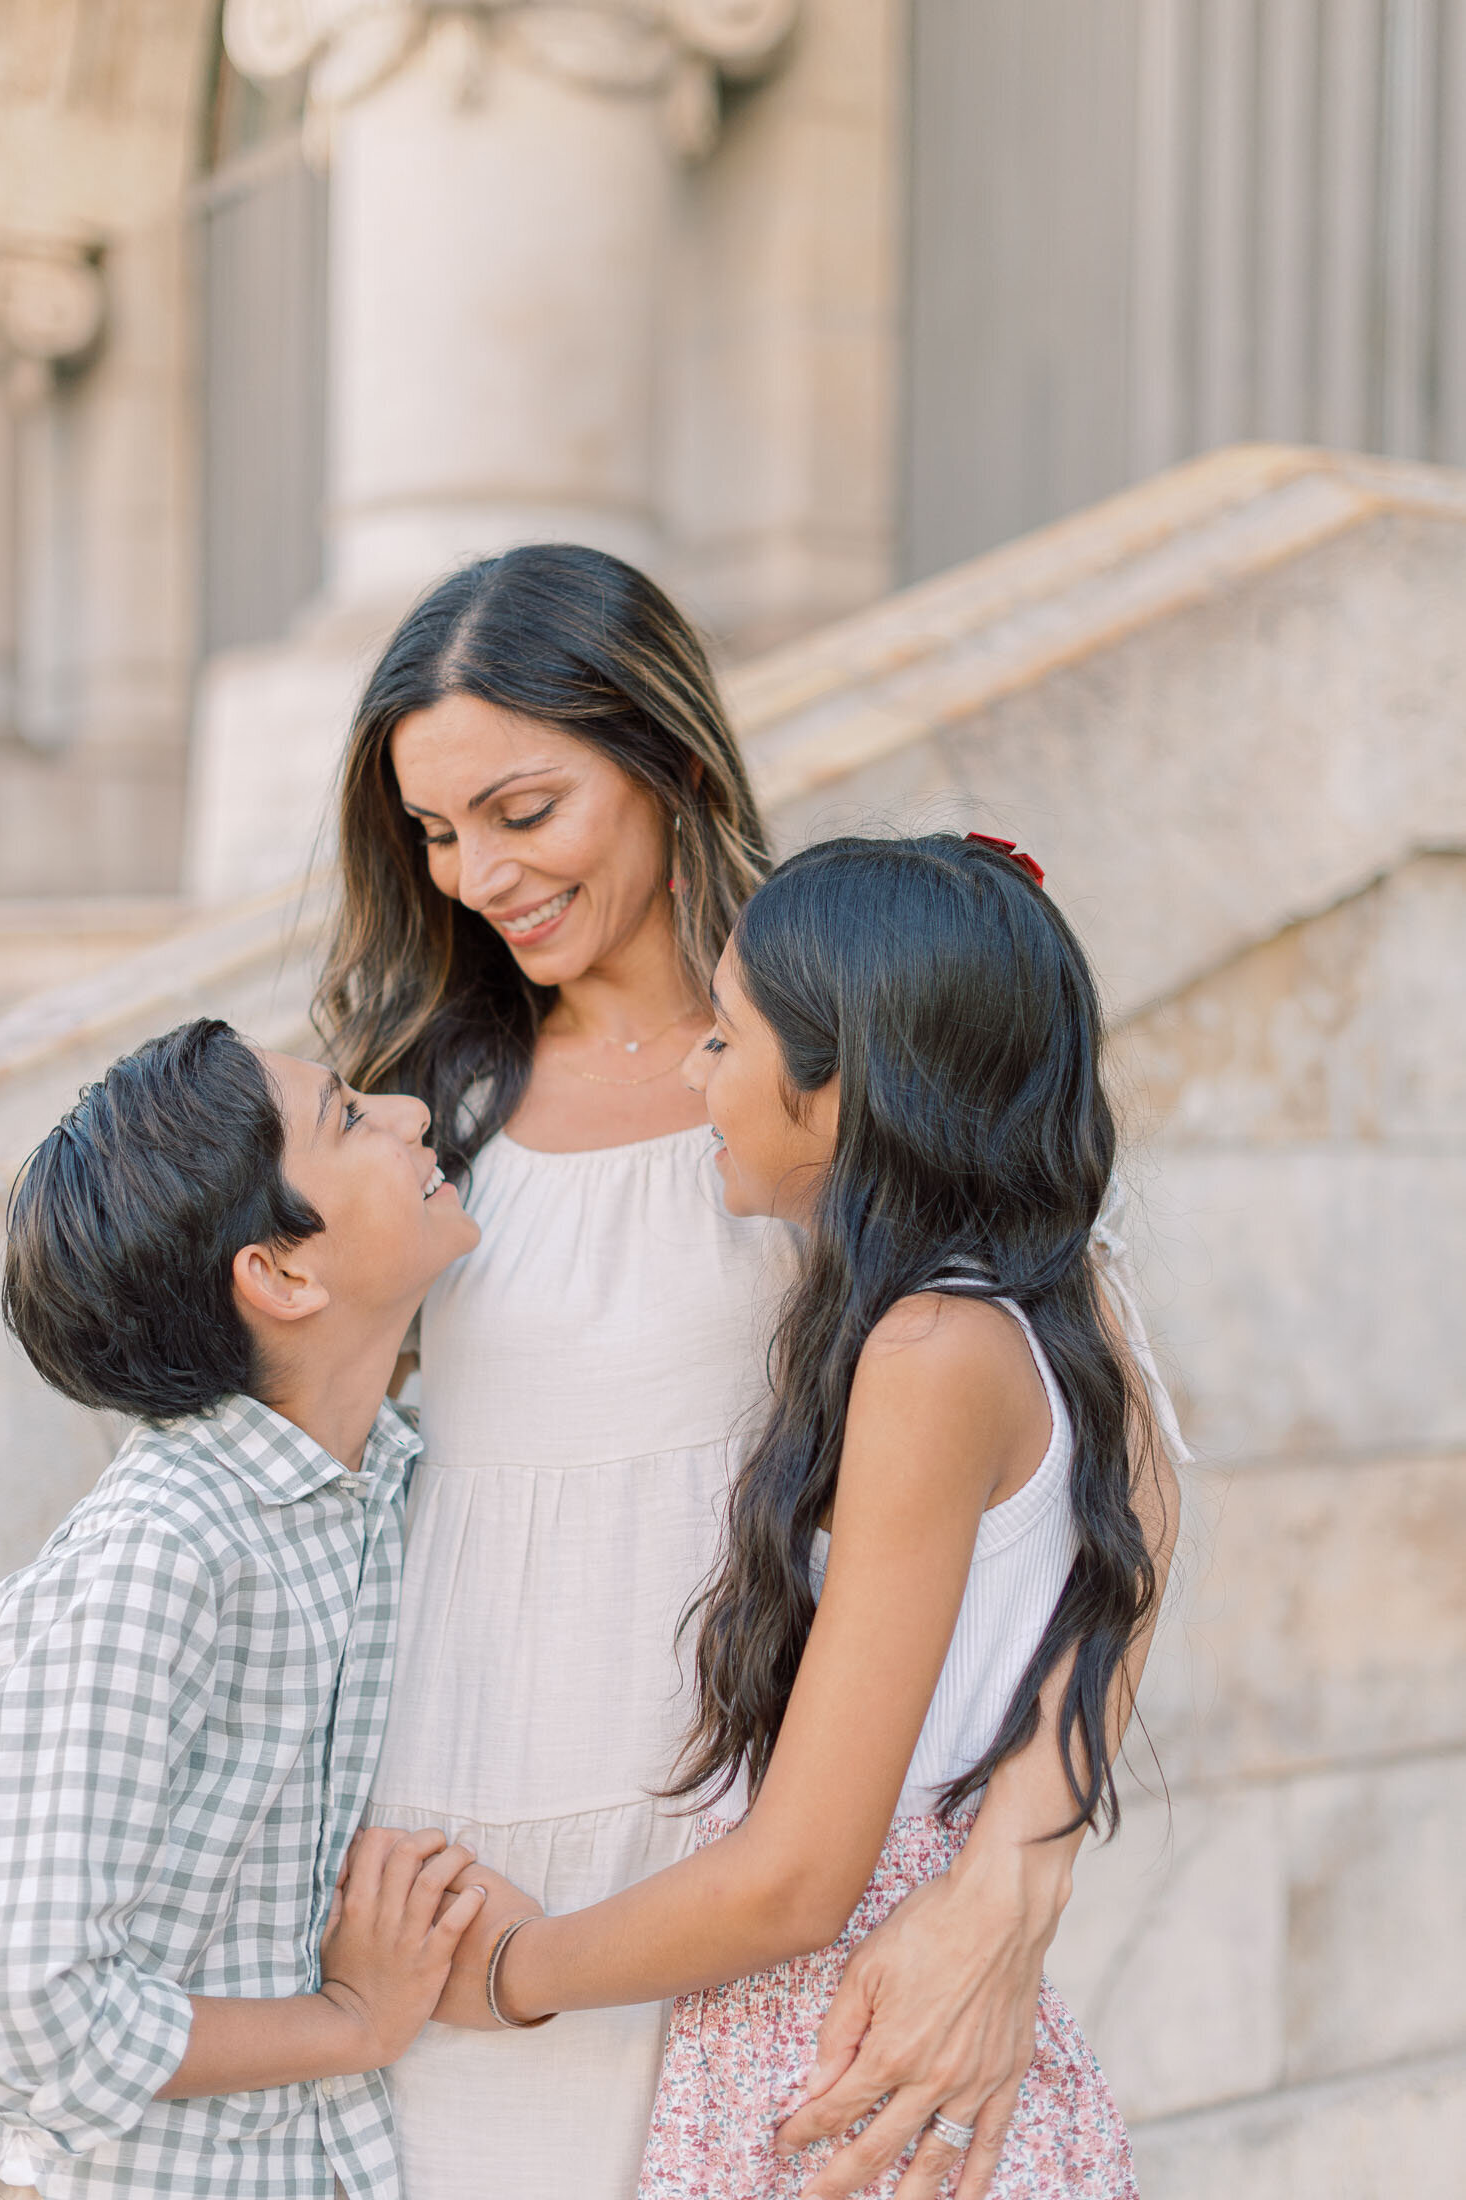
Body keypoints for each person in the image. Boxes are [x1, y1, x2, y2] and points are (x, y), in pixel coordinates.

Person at [318, 545, 1180, 2200]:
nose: (475, 875)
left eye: (521, 810)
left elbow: (1117, 1490)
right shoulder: (413, 1106)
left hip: (749, 1882)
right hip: (451, 1859)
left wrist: (1012, 1876)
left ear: (669, 762)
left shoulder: (849, 1043)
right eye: (432, 834)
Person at [0, 1019, 486, 2200]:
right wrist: (350, 2022)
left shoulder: (381, 1489)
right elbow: (31, 2006)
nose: (413, 1113)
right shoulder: (163, 1551)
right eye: (350, 1116)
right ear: (279, 1272)